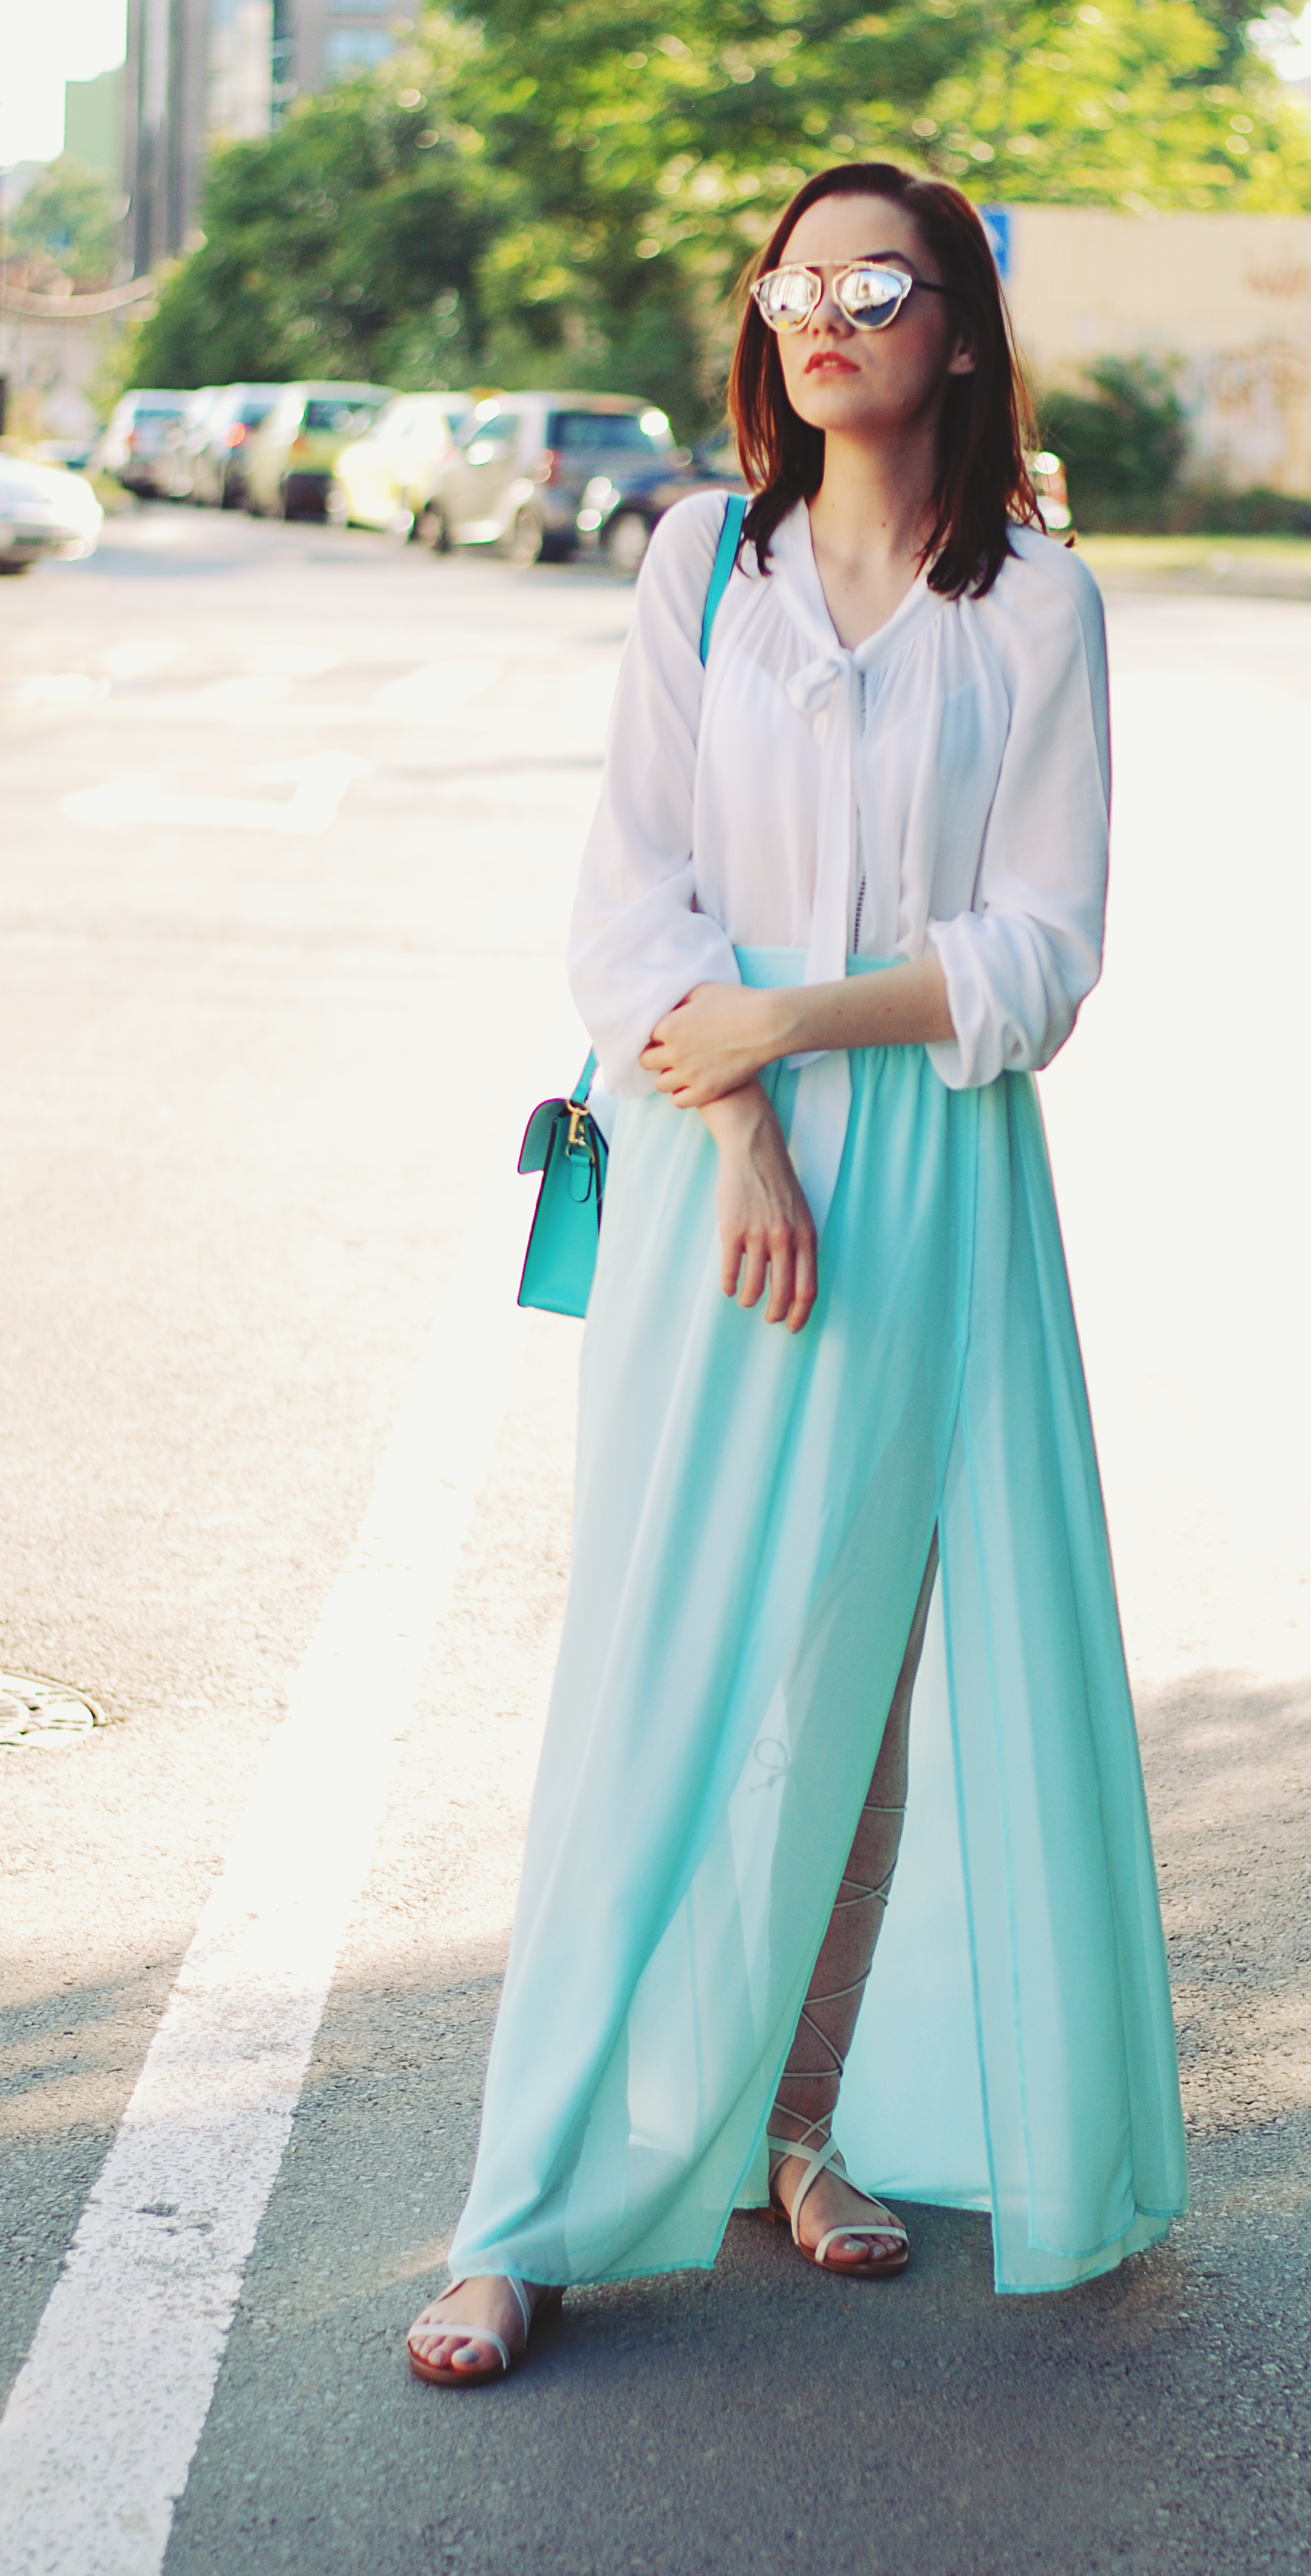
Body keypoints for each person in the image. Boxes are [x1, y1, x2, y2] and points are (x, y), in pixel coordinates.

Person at [407, 161, 1186, 2388]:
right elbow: (625, 900)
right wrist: (734, 1107)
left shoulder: (1035, 605)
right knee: (654, 1673)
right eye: (798, 280)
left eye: (881, 282)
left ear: (957, 331)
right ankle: (533, 2210)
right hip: (700, 1173)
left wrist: (797, 1024)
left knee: (856, 1698)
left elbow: (1044, 951)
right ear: (763, 322)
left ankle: (794, 2129)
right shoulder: (701, 561)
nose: (826, 311)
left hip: (935, 1180)